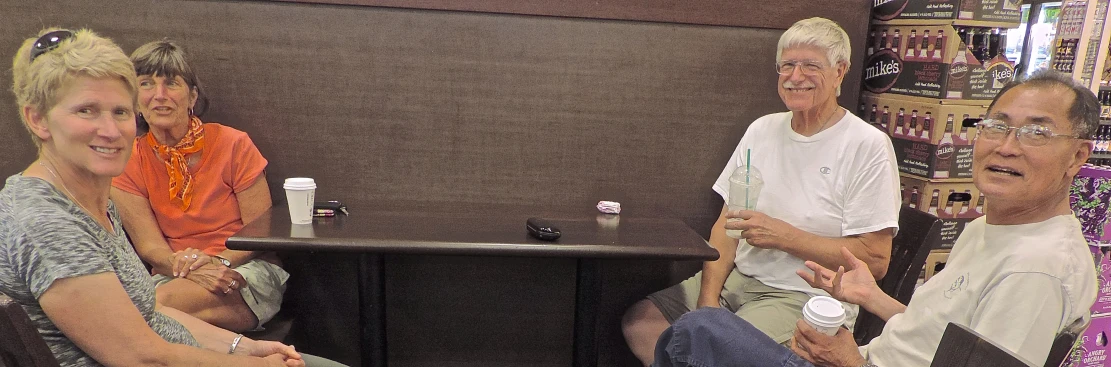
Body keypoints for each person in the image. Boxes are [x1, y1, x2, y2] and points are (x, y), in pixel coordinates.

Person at [653, 68, 1099, 367]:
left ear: (1078, 155)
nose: (1007, 146)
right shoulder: (991, 228)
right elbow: (944, 337)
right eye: (997, 125)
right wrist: (872, 298)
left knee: (696, 331)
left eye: (1037, 132)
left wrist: (850, 362)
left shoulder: (1035, 268)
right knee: (676, 323)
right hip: (859, 352)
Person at [0, 27, 304, 367]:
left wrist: (243, 349)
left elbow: (147, 315)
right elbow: (143, 355)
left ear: (192, 97)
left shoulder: (89, 197)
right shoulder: (48, 221)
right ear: (38, 120)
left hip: (238, 271)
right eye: (86, 111)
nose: (111, 130)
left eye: (119, 112)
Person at [621, 17, 901, 365]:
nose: (795, 76)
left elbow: (875, 261)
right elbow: (726, 226)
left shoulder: (867, 145)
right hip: (738, 279)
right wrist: (708, 303)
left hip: (802, 295)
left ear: (840, 72)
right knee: (642, 324)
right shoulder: (762, 130)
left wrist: (784, 236)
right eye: (787, 66)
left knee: (710, 350)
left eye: (810, 66)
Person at [111, 39, 286, 332]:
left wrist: (216, 263)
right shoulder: (128, 161)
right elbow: (150, 247)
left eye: (171, 84)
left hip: (240, 271)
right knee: (148, 314)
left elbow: (260, 234)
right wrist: (194, 271)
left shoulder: (233, 144)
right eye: (146, 84)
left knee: (150, 311)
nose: (160, 95)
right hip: (173, 274)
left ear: (192, 97)